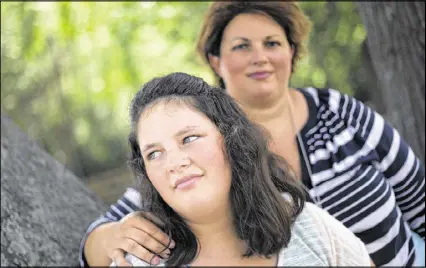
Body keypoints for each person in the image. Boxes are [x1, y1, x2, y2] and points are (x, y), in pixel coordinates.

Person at [80, 2, 425, 267]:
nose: (259, 57)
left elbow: (419, 202)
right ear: (216, 61)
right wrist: (112, 235)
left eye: (272, 42)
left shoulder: (341, 115)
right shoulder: (193, 150)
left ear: (291, 52)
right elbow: (107, 235)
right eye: (242, 46)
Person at [117, 71, 371, 266]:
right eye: (154, 153)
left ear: (231, 139)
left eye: (189, 138)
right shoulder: (139, 263)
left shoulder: (309, 227)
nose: (174, 163)